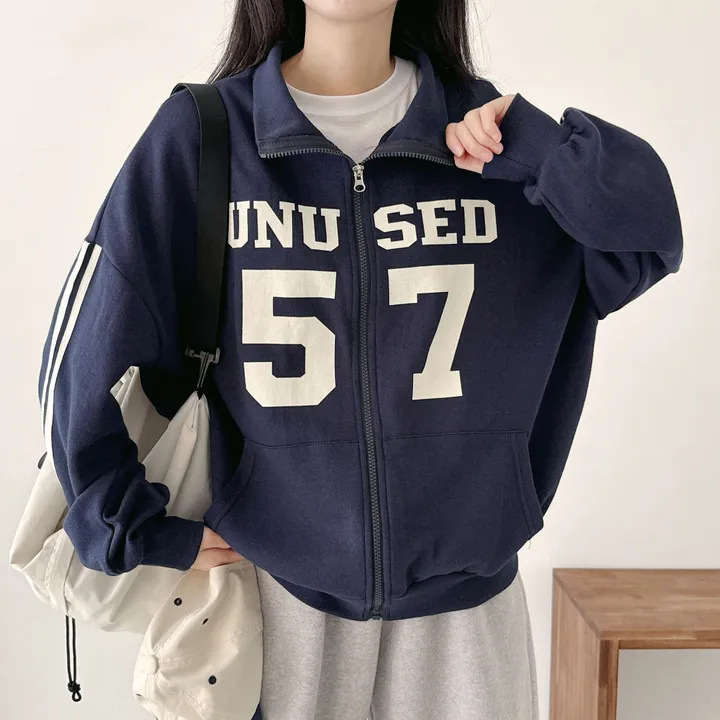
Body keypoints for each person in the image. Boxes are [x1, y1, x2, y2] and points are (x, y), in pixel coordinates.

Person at [37, 1, 683, 718]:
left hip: (466, 625)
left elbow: (648, 237)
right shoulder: (205, 135)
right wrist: (129, 524)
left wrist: (540, 151)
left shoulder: (494, 147)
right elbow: (87, 349)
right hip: (271, 608)